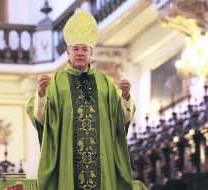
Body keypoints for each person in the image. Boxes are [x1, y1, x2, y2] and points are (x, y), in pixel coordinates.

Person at [27, 10, 145, 190]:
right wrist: (42, 93)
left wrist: (126, 97)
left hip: (102, 164)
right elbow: (43, 119)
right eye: (75, 49)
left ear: (91, 53)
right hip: (68, 162)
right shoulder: (56, 82)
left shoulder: (105, 83)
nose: (80, 53)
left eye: (84, 49)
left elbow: (120, 120)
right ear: (68, 52)